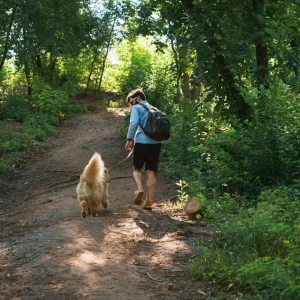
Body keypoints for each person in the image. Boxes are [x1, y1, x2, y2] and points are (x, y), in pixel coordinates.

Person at [124, 88, 162, 210]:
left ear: (139, 98)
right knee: (151, 172)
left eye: (132, 102)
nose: (131, 106)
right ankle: (149, 201)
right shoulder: (155, 109)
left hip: (141, 142)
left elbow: (134, 123)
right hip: (156, 143)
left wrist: (129, 139)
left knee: (137, 169)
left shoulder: (137, 108)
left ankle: (140, 189)